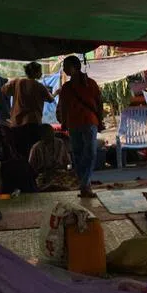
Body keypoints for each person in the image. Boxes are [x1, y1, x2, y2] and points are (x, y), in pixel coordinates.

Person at [56, 55, 104, 199]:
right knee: (79, 153)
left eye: (66, 66)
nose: (64, 69)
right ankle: (85, 184)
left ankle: (84, 184)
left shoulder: (89, 84)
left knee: (87, 153)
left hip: (87, 122)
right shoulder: (68, 87)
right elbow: (63, 107)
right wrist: (63, 121)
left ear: (75, 67)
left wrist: (100, 121)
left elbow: (99, 103)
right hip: (76, 123)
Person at [28, 124, 79, 191]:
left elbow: (69, 164)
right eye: (46, 133)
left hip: (61, 174)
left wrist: (68, 169)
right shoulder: (36, 147)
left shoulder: (60, 143)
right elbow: (30, 168)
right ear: (41, 135)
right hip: (44, 176)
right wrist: (43, 171)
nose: (50, 134)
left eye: (51, 132)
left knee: (77, 179)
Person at [1, 62, 53, 127]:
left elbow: (3, 90)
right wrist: (56, 92)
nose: (41, 73)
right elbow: (51, 99)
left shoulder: (16, 82)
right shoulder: (40, 86)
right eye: (40, 71)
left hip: (16, 122)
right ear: (35, 73)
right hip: (33, 122)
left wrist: (15, 91)